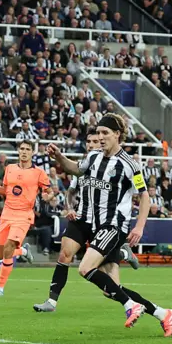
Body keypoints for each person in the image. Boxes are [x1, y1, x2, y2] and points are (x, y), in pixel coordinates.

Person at [46, 114, 172, 335]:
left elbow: (144, 196)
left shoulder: (130, 165)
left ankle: (130, 306)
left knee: (85, 268)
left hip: (113, 226)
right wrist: (59, 157)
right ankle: (162, 314)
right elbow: (76, 169)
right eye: (98, 133)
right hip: (96, 227)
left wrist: (139, 227)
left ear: (117, 134)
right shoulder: (94, 156)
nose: (101, 137)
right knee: (111, 288)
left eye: (105, 133)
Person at [34, 128, 140, 312]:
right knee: (65, 254)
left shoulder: (115, 166)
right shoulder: (85, 164)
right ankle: (51, 302)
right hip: (82, 219)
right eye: (89, 142)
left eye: (95, 142)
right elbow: (71, 190)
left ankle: (123, 256)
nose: (92, 144)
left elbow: (131, 194)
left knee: (111, 288)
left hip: (103, 224)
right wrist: (69, 207)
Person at [0, 140, 49, 297]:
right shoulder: (10, 168)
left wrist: (48, 195)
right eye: (22, 149)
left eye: (27, 149)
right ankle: (22, 251)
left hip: (23, 215)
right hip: (6, 214)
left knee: (8, 247)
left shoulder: (39, 173)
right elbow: (6, 191)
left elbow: (47, 190)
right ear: (18, 151)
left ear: (32, 153)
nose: (24, 152)